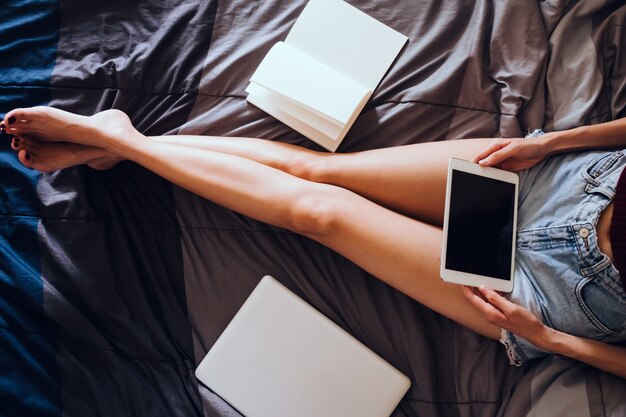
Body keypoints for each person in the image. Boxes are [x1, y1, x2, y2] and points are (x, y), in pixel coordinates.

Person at [1, 106, 625, 379]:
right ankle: (120, 142)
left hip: (559, 300)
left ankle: (121, 142)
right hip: (575, 185)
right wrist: (550, 144)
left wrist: (548, 341)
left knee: (320, 214)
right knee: (319, 171)